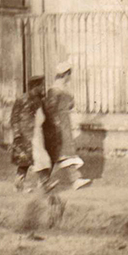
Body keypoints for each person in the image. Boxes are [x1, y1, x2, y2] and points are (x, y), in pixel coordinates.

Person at [43, 60, 88, 189]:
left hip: (64, 122)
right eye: (69, 74)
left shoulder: (64, 88)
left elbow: (70, 104)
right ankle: (46, 181)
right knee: (59, 152)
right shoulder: (54, 90)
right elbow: (50, 108)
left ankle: (74, 179)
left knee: (64, 152)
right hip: (58, 124)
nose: (70, 77)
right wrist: (54, 125)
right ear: (65, 74)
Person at [9, 75, 46, 190]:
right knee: (28, 159)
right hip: (27, 134)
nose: (42, 88)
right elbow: (14, 117)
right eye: (40, 85)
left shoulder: (35, 99)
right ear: (34, 86)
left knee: (32, 159)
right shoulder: (27, 99)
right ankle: (38, 183)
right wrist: (17, 134)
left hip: (30, 133)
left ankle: (40, 182)